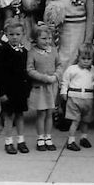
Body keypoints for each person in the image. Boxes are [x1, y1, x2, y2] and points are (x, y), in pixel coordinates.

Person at [0, 20, 31, 154]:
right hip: (8, 91)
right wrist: (1, 92)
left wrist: (28, 89)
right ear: (6, 35)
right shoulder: (2, 52)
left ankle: (21, 140)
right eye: (11, 34)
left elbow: (27, 72)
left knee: (20, 115)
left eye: (18, 34)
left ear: (23, 35)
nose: (15, 37)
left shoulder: (24, 52)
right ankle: (8, 141)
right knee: (9, 116)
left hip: (20, 90)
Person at [27, 23, 62, 152]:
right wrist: (43, 77)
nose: (47, 41)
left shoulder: (53, 50)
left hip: (52, 87)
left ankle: (48, 137)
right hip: (40, 87)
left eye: (49, 38)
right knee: (41, 113)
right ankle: (40, 137)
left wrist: (56, 76)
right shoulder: (32, 53)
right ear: (35, 38)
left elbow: (59, 65)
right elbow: (30, 70)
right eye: (43, 38)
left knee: (50, 113)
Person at [60, 43, 94, 151]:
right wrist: (64, 92)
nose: (86, 61)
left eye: (89, 59)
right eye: (83, 58)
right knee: (75, 120)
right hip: (74, 97)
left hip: (88, 98)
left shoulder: (93, 70)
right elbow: (65, 81)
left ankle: (83, 137)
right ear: (78, 57)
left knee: (86, 120)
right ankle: (71, 140)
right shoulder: (72, 69)